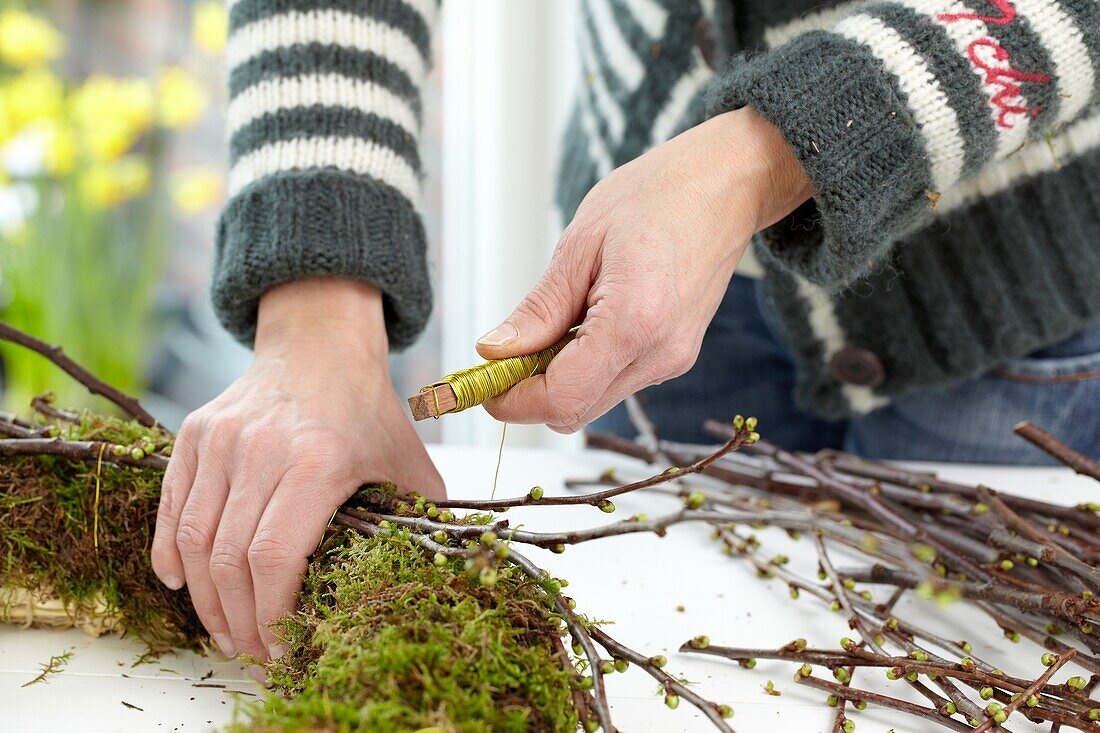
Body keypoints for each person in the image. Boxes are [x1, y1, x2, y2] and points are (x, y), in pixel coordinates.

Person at [152, 0, 1100, 673]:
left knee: (971, 659)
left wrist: (765, 153)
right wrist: (315, 312)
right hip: (661, 272)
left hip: (996, 277)